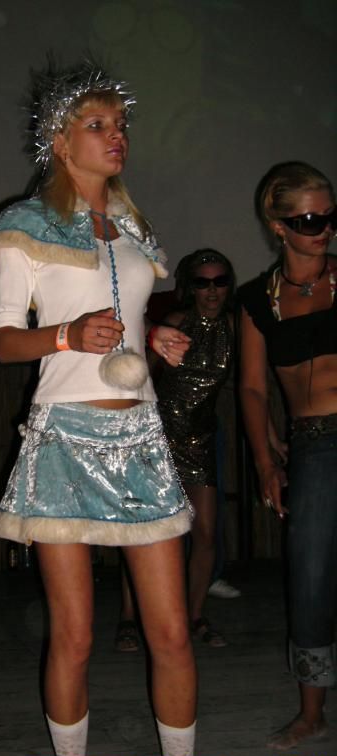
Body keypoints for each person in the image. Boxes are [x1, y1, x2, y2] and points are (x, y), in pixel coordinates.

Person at [0, 62, 203, 756]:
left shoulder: (132, 228)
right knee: (73, 635)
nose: (117, 137)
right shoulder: (25, 224)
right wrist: (66, 336)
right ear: (59, 139)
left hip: (138, 437)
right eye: (98, 125)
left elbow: (127, 321)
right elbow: (3, 339)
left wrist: (155, 337)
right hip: (65, 443)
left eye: (121, 125)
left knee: (170, 632)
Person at [239, 161, 337, 750]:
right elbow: (252, 388)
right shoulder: (259, 300)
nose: (323, 229)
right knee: (310, 574)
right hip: (313, 443)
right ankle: (311, 711)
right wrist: (264, 461)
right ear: (278, 226)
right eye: (307, 220)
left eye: (330, 216)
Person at [155, 248, 237, 647]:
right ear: (190, 287)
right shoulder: (174, 323)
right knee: (154, 533)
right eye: (203, 282)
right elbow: (141, 375)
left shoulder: (234, 327)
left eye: (220, 281)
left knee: (205, 533)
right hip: (161, 433)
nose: (212, 290)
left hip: (201, 436)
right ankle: (132, 618)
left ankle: (194, 616)